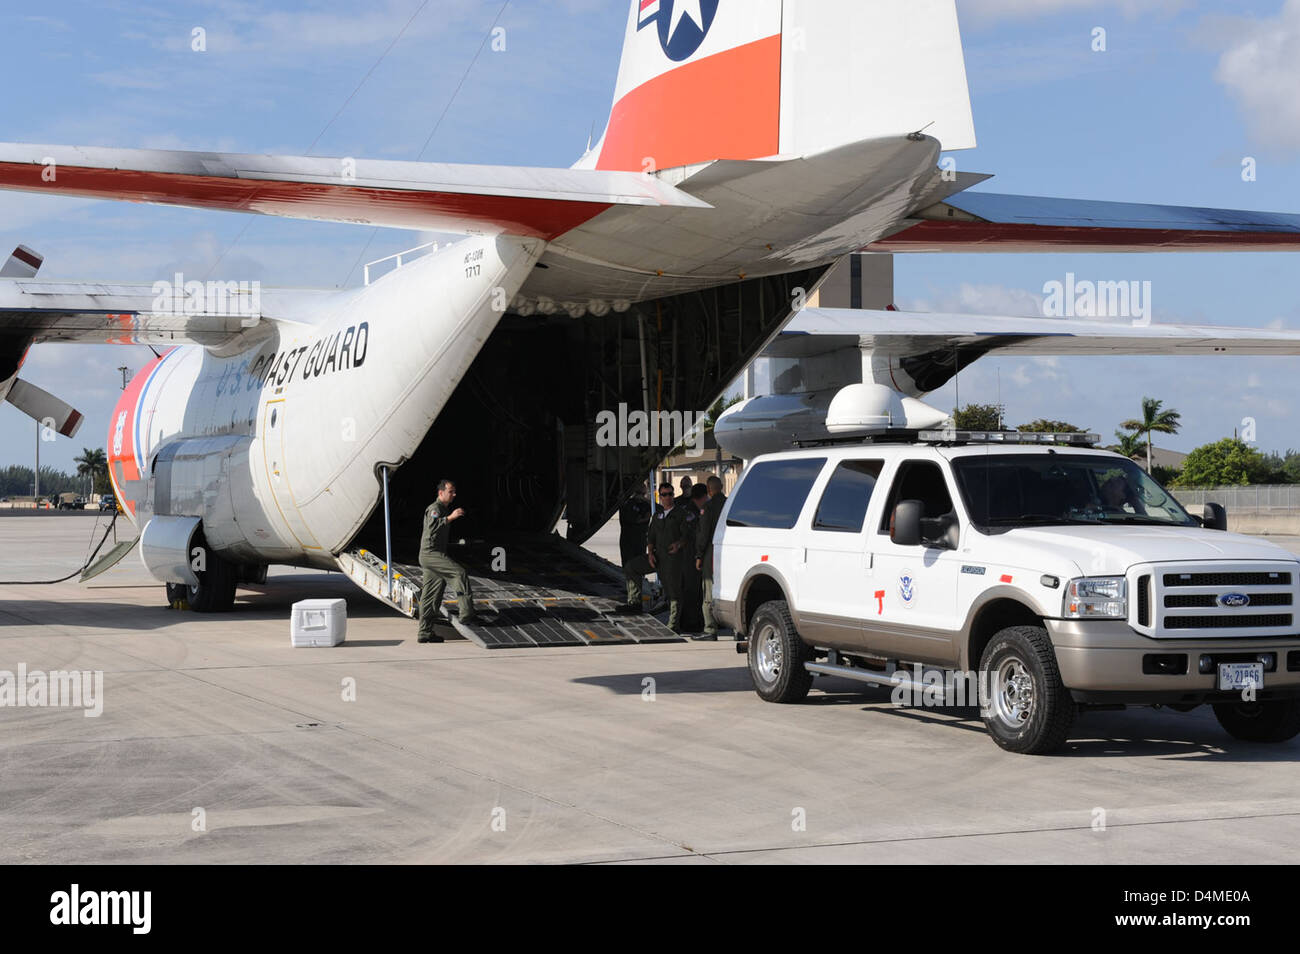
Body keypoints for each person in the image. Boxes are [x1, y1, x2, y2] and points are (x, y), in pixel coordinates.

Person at [417, 479, 477, 643]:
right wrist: (451, 517)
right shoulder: (435, 509)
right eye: (451, 491)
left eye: (454, 491)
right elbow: (432, 527)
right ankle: (466, 614)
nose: (454, 494)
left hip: (431, 555)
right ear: (441, 493)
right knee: (460, 573)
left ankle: (425, 633)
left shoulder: (443, 508)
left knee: (431, 595)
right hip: (431, 554)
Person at [647, 482, 693, 633]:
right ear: (659, 497)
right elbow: (651, 536)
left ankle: (673, 625)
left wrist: (679, 544)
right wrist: (650, 554)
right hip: (658, 558)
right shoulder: (657, 515)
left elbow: (687, 535)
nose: (668, 497)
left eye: (670, 494)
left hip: (674, 559)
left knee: (674, 592)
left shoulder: (681, 514)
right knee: (632, 567)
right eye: (664, 495)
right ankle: (633, 603)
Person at [695, 475, 728, 640]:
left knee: (708, 591)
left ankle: (710, 630)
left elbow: (704, 534)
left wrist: (699, 555)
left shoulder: (707, 507)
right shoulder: (731, 504)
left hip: (712, 553)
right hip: (729, 553)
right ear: (722, 486)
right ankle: (737, 631)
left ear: (708, 490)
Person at [617, 482, 652, 613]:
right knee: (628, 569)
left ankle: (634, 600)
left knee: (635, 569)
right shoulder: (629, 504)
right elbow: (633, 519)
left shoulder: (643, 505)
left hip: (638, 541)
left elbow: (643, 519)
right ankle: (633, 599)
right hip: (629, 541)